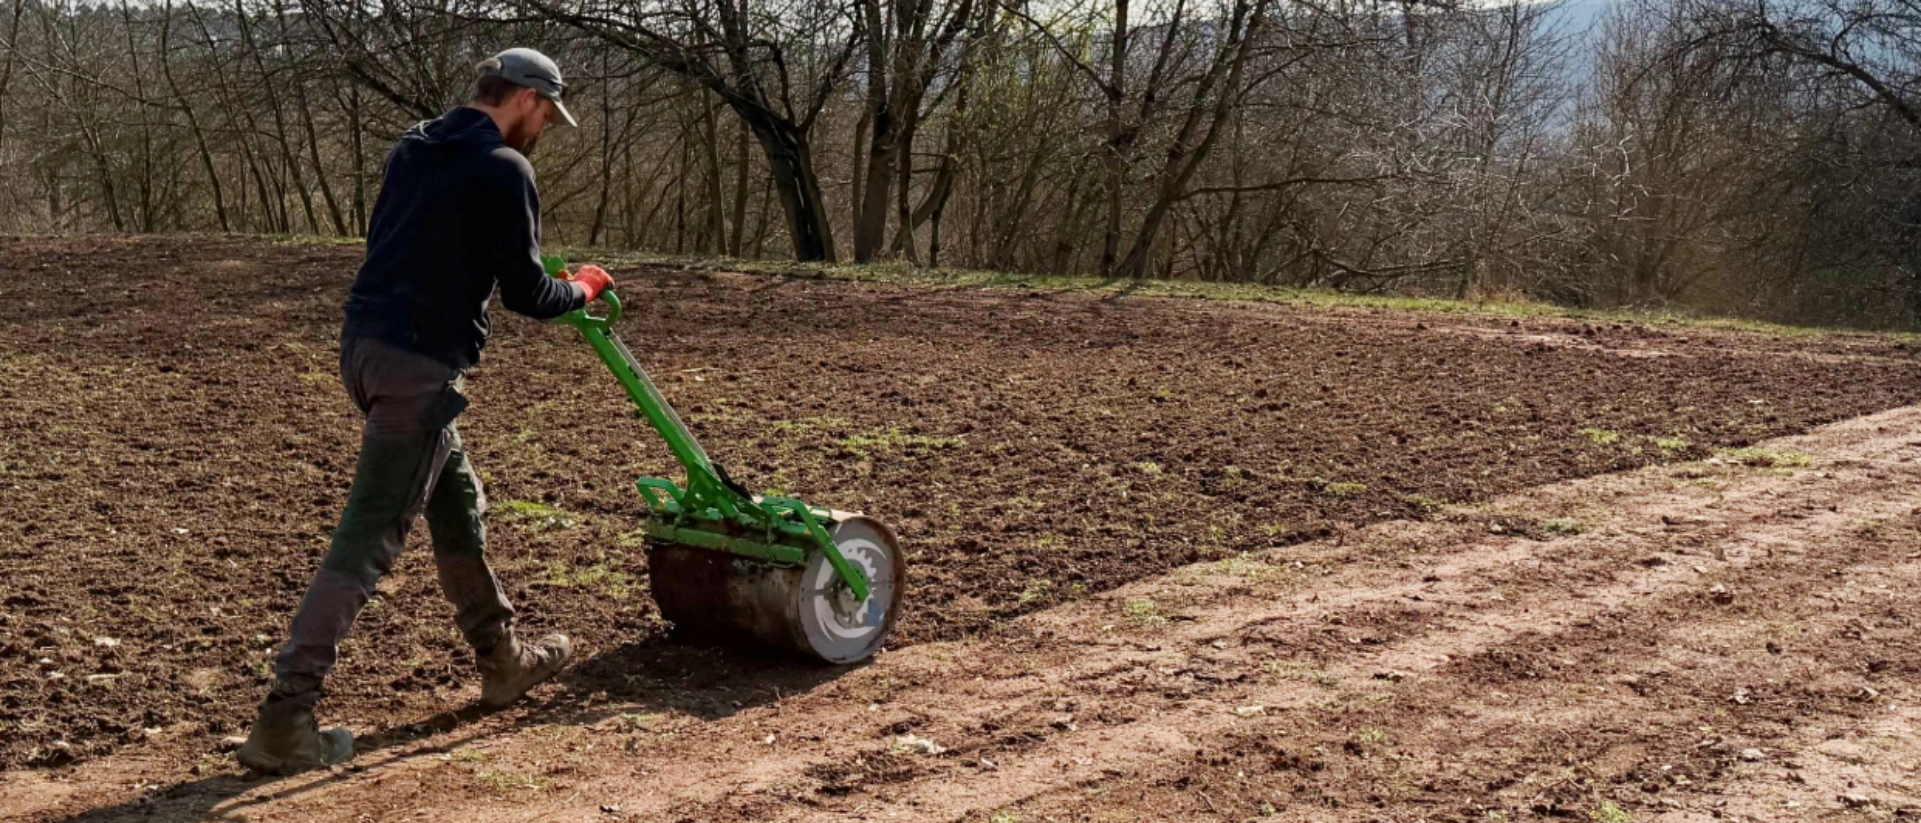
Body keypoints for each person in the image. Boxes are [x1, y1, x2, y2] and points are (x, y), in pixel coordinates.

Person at [236, 47, 615, 775]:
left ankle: (502, 659)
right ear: (526, 100)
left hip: (366, 349)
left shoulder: (413, 147)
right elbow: (529, 294)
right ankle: (286, 716)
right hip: (418, 370)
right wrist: (587, 286)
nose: (543, 130)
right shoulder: (506, 169)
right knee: (367, 541)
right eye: (546, 115)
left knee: (456, 500)